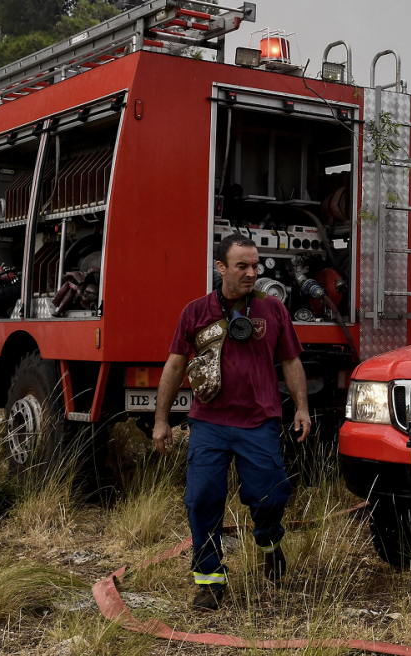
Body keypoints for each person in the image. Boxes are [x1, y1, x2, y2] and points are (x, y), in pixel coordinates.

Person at [152, 234, 311, 611]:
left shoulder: (273, 310)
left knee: (271, 495)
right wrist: (161, 420)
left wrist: (302, 409)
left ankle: (269, 542)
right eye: (242, 266)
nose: (251, 273)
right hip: (209, 422)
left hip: (260, 422)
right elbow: (175, 366)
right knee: (203, 498)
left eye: (255, 266)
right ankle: (210, 582)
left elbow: (291, 361)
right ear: (220, 267)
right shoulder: (196, 311)